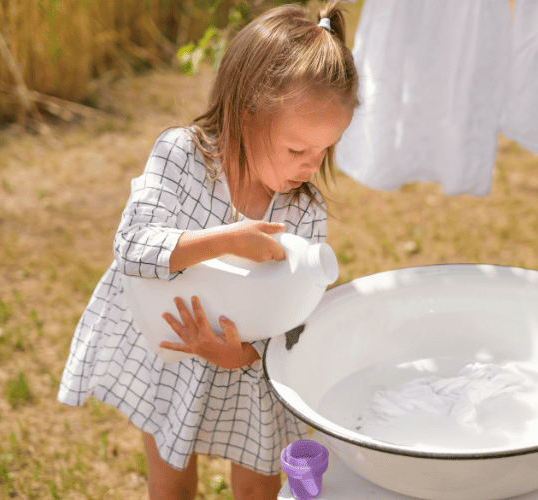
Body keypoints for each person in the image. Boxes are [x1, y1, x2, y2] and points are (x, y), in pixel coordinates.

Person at [57, 2, 358, 499]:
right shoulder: (181, 157)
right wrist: (229, 240)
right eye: (296, 149)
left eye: (326, 150)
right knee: (171, 479)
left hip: (248, 371)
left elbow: (295, 323)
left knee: (259, 484)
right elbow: (132, 244)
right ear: (247, 112)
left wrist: (238, 353)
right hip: (172, 344)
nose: (311, 166)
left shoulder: (304, 210)